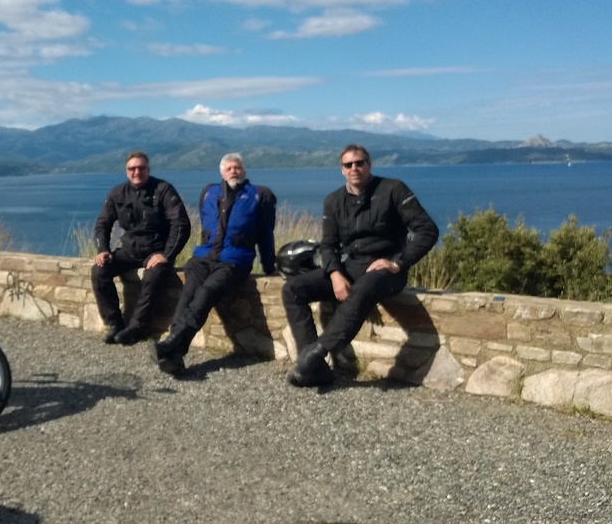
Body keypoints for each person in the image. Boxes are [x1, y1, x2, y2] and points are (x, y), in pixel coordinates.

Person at [283, 144, 439, 388]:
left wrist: (398, 262)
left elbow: (427, 230)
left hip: (385, 270)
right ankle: (315, 369)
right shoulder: (334, 201)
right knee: (293, 289)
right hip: (350, 266)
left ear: (369, 164)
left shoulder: (393, 189)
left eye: (359, 163)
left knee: (364, 286)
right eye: (348, 165)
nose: (354, 168)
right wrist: (335, 273)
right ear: (342, 170)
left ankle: (315, 353)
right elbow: (328, 245)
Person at [152, 153, 277, 375]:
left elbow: (266, 234)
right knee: (188, 292)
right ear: (222, 172)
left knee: (206, 293)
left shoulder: (259, 195)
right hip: (204, 257)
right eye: (229, 168)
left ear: (244, 171)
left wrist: (269, 267)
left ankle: (172, 343)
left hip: (235, 260)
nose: (233, 171)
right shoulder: (209, 192)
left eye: (237, 167)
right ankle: (174, 354)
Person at [92, 151, 191, 345]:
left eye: (141, 168)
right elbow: (102, 224)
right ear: (126, 171)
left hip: (156, 250)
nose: (136, 172)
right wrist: (103, 249)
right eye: (132, 168)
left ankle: (137, 326)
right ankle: (114, 324)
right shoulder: (117, 194)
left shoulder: (163, 190)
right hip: (128, 250)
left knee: (153, 276)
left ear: (148, 169)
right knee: (99, 271)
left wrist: (166, 255)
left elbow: (181, 224)